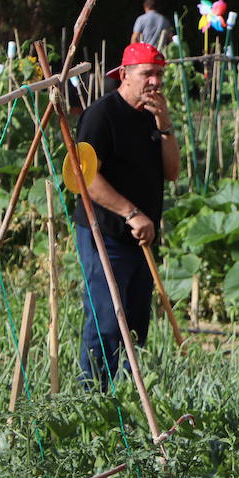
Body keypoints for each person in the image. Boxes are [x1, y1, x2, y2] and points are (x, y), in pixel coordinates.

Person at [74, 42, 180, 388]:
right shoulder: (101, 115)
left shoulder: (152, 115)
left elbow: (173, 171)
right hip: (104, 233)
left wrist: (164, 126)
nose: (154, 81)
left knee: (135, 327)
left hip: (141, 238)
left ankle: (126, 400)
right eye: (147, 73)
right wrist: (131, 212)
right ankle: (91, 400)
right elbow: (83, 178)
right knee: (106, 322)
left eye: (159, 74)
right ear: (124, 75)